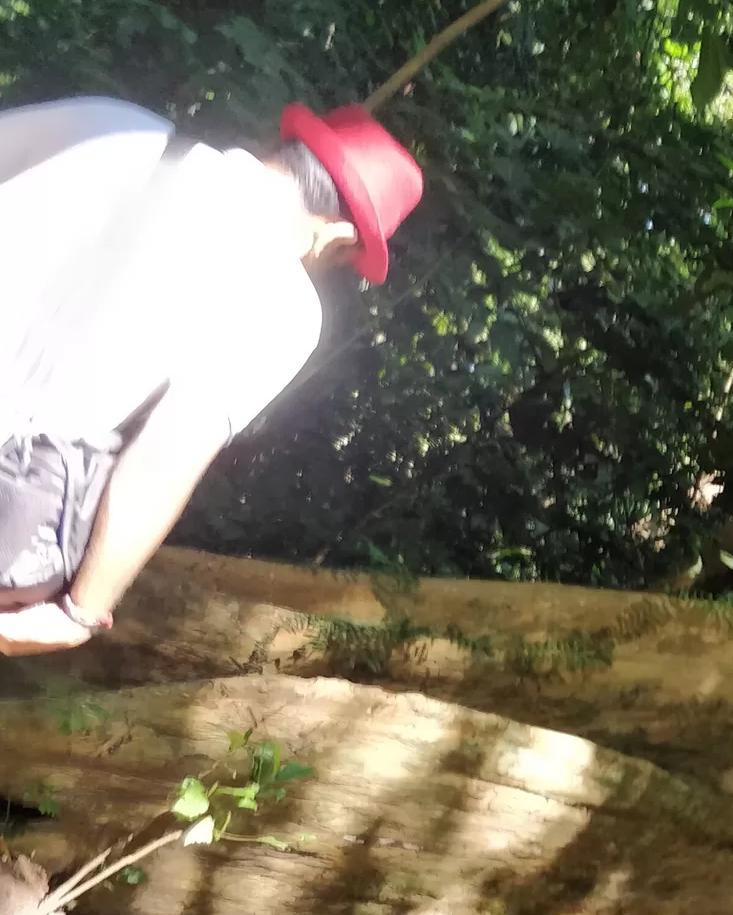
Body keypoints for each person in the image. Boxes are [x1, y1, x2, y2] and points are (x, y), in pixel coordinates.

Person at [0, 96, 423, 657]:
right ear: (339, 237)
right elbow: (162, 459)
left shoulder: (109, 124)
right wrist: (82, 611)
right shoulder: (282, 305)